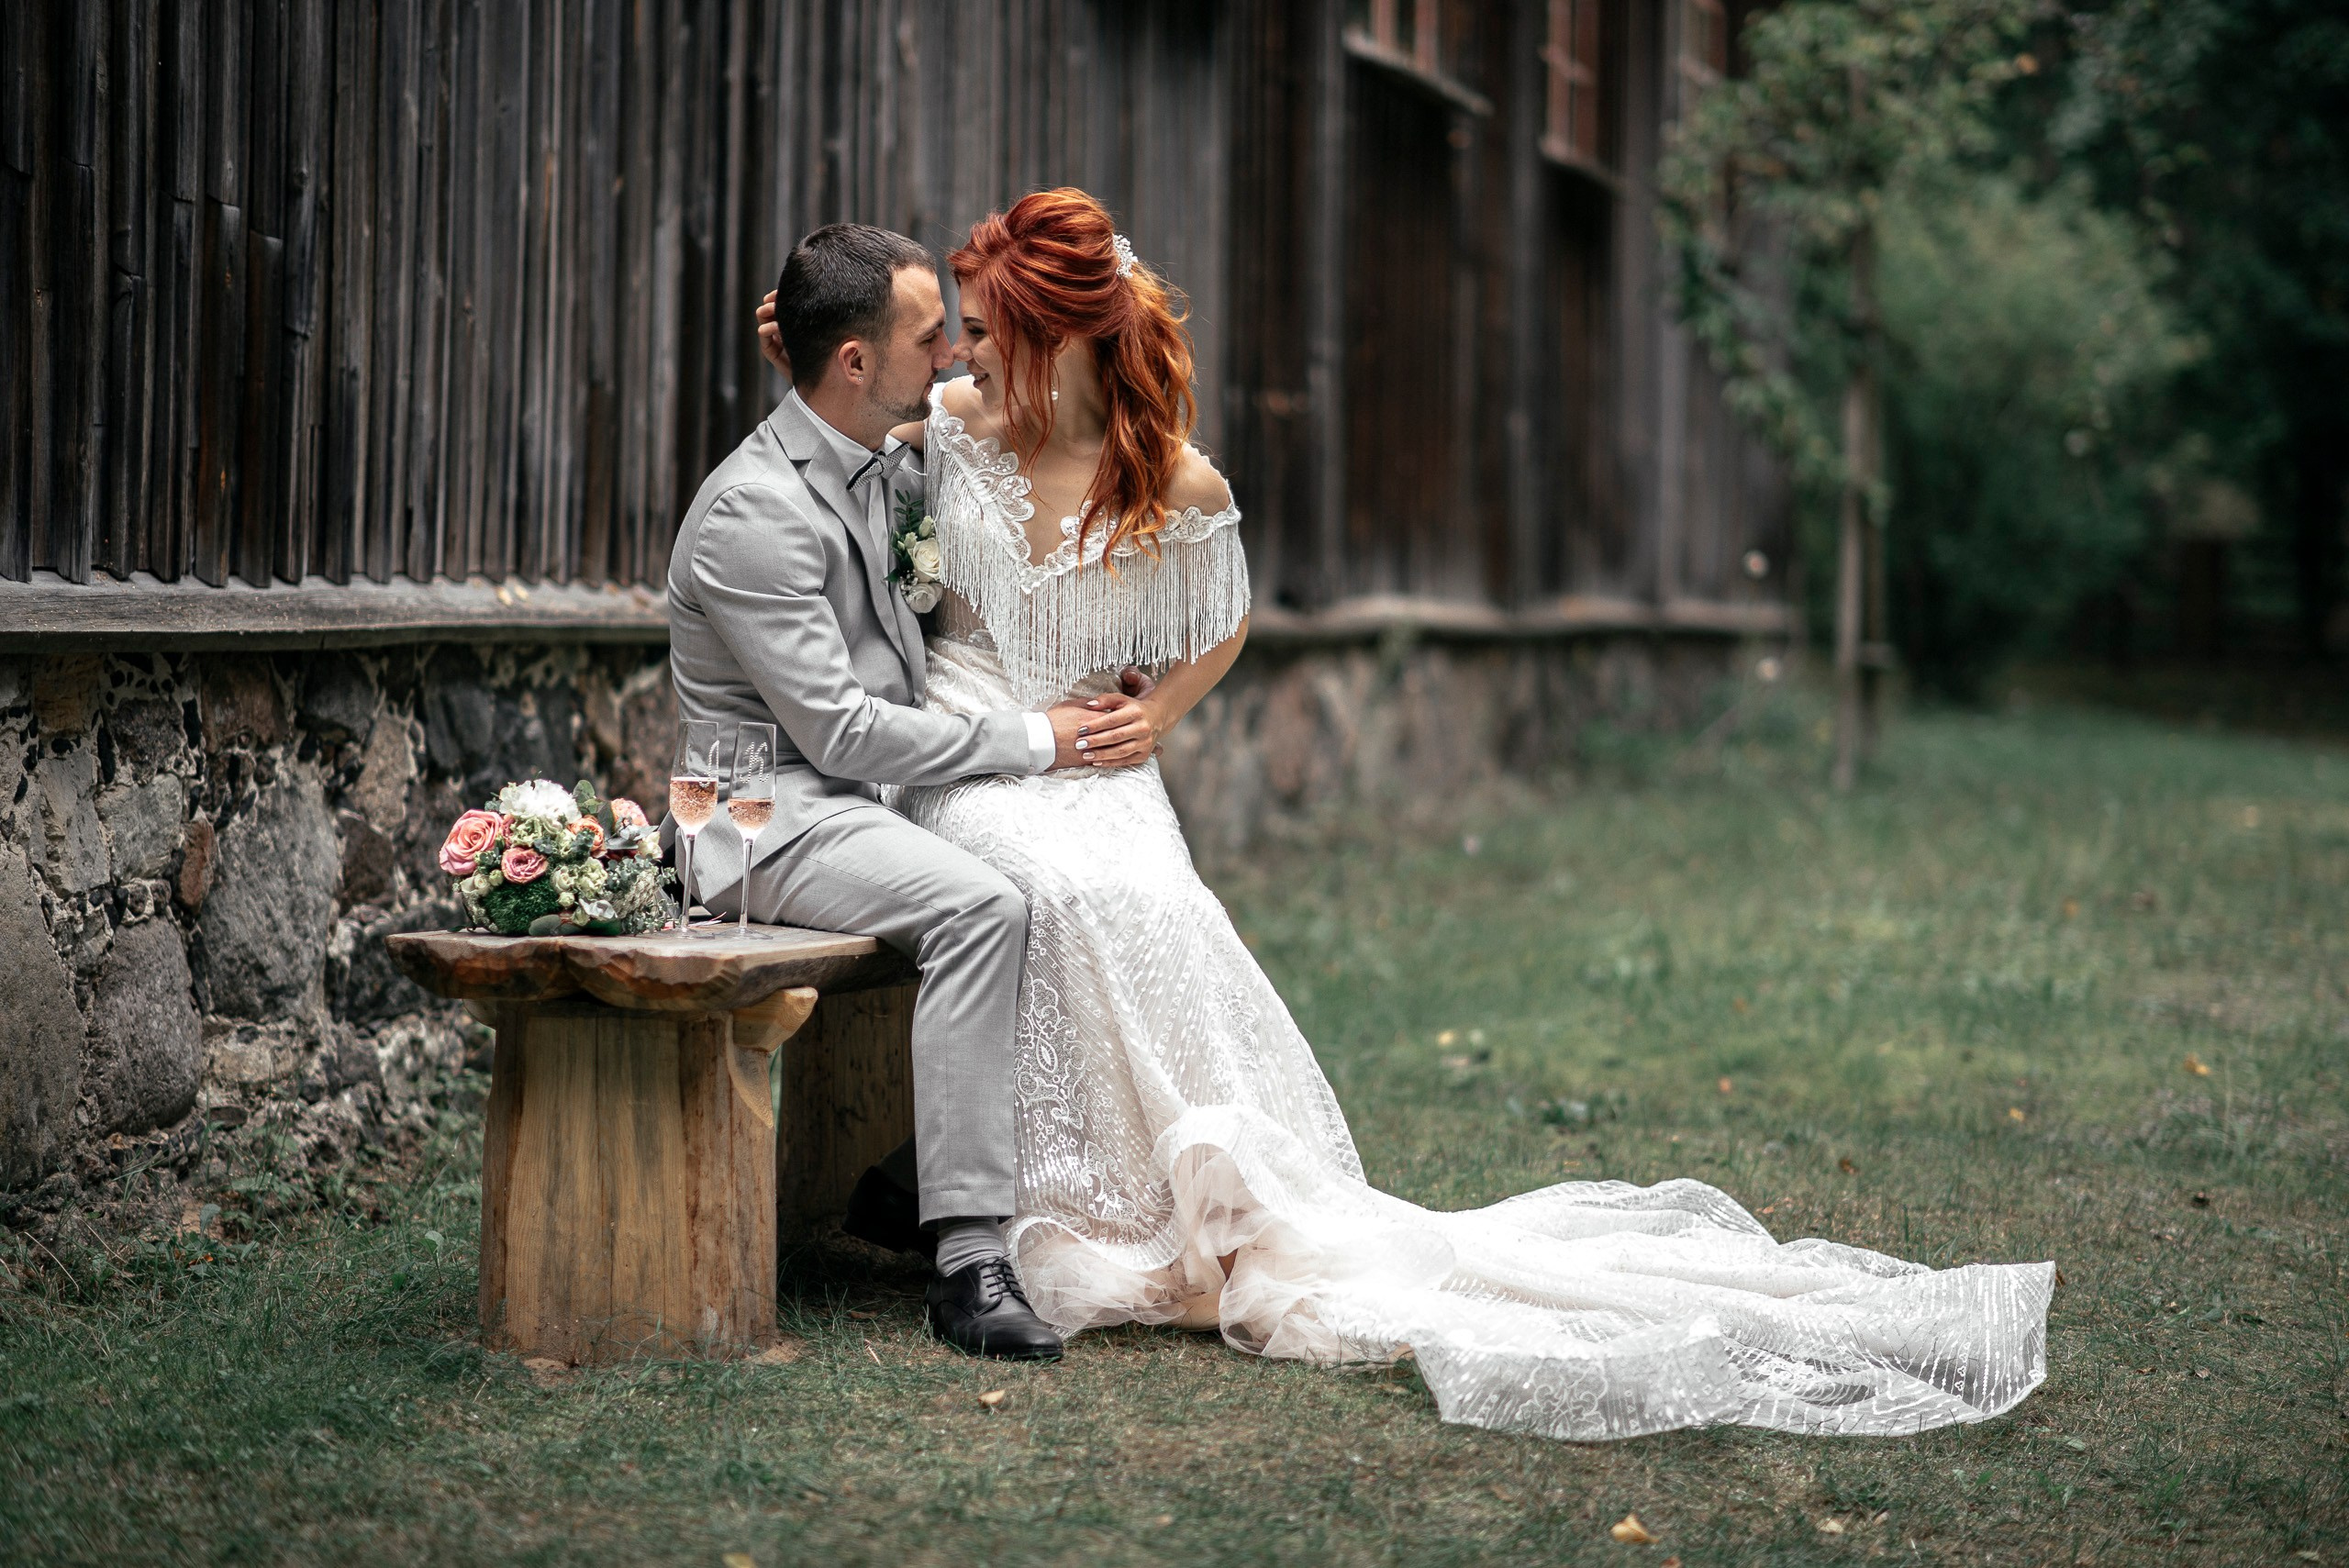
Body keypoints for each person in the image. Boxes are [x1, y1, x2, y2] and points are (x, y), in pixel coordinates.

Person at [756, 190, 2054, 1441]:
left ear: (1064, 335)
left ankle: (1114, 1195)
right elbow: (844, 398)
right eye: (961, 329)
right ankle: (977, 1203)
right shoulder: (954, 426)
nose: (963, 351)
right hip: (971, 748)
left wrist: (1163, 718)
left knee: (1159, 900)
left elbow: (1229, 619)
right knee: (1056, 889)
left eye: (986, 329)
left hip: (1101, 750)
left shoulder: (1177, 481)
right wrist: (798, 345)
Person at [671, 221, 1147, 1362]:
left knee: (1067, 871)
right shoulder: (754, 514)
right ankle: (969, 1253)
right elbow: (834, 728)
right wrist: (1041, 738)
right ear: (853, 362)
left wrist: (1095, 668)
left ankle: (907, 1180)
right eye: (930, 337)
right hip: (765, 816)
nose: (951, 357)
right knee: (982, 905)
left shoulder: (880, 450)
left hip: (869, 799)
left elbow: (1013, 505)